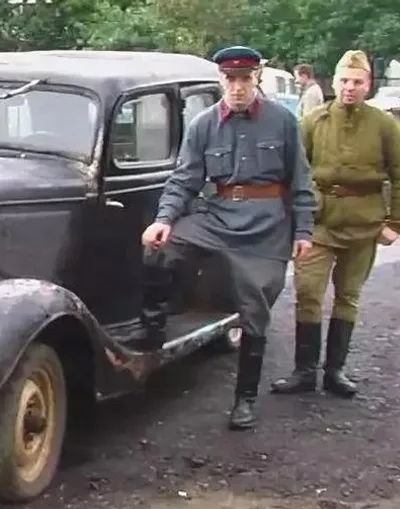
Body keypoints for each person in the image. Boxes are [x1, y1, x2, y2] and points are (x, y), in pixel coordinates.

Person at [139, 45, 315, 430]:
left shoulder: (282, 121)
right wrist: (164, 219)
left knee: (254, 306)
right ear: (221, 80)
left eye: (245, 79)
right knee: (159, 246)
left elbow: (301, 180)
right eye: (230, 79)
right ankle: (152, 330)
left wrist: (303, 230)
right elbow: (185, 178)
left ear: (256, 79)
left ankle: (245, 400)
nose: (237, 87)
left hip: (266, 226)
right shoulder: (203, 124)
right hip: (217, 216)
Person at [271, 50, 400, 399]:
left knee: (348, 297)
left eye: (357, 82)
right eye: (344, 80)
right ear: (336, 81)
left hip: (364, 223)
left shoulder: (385, 125)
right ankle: (304, 371)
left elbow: (399, 175)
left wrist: (394, 223)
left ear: (368, 84)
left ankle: (335, 372)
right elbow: (294, 172)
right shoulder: (314, 120)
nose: (349, 88)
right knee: (308, 293)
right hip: (319, 222)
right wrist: (294, 219)